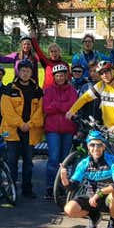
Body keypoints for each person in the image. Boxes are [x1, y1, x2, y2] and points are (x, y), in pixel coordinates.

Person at [66, 61, 114, 176]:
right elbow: (84, 98)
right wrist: (72, 110)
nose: (104, 75)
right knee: (111, 164)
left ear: (113, 71)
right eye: (101, 73)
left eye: (107, 71)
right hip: (108, 131)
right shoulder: (101, 86)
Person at [60, 130, 114, 228]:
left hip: (107, 197)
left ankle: (112, 224)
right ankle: (94, 216)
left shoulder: (112, 160)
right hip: (91, 198)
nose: (96, 148)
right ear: (88, 147)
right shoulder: (84, 163)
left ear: (104, 146)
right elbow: (72, 187)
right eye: (92, 145)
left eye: (99, 144)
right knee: (69, 209)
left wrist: (99, 193)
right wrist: (64, 178)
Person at [0, 59, 44, 198]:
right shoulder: (9, 88)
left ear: (32, 72)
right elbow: (6, 111)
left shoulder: (37, 90)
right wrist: (20, 124)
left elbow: (40, 111)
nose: (25, 73)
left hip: (30, 131)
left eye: (28, 71)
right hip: (13, 131)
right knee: (12, 162)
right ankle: (11, 190)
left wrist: (29, 124)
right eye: (23, 70)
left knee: (28, 163)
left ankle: (27, 190)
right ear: (18, 71)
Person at [43, 64, 78, 200]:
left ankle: (62, 186)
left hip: (68, 128)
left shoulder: (72, 90)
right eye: (57, 76)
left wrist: (56, 105)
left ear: (66, 76)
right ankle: (50, 186)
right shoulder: (49, 90)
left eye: (62, 75)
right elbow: (47, 108)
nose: (60, 78)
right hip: (52, 129)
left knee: (65, 160)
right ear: (54, 77)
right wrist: (62, 107)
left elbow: (73, 106)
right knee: (53, 158)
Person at [77, 60, 102, 124]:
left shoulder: (107, 87)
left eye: (95, 71)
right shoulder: (85, 87)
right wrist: (81, 127)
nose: (92, 73)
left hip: (104, 125)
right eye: (90, 71)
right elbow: (80, 108)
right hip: (87, 124)